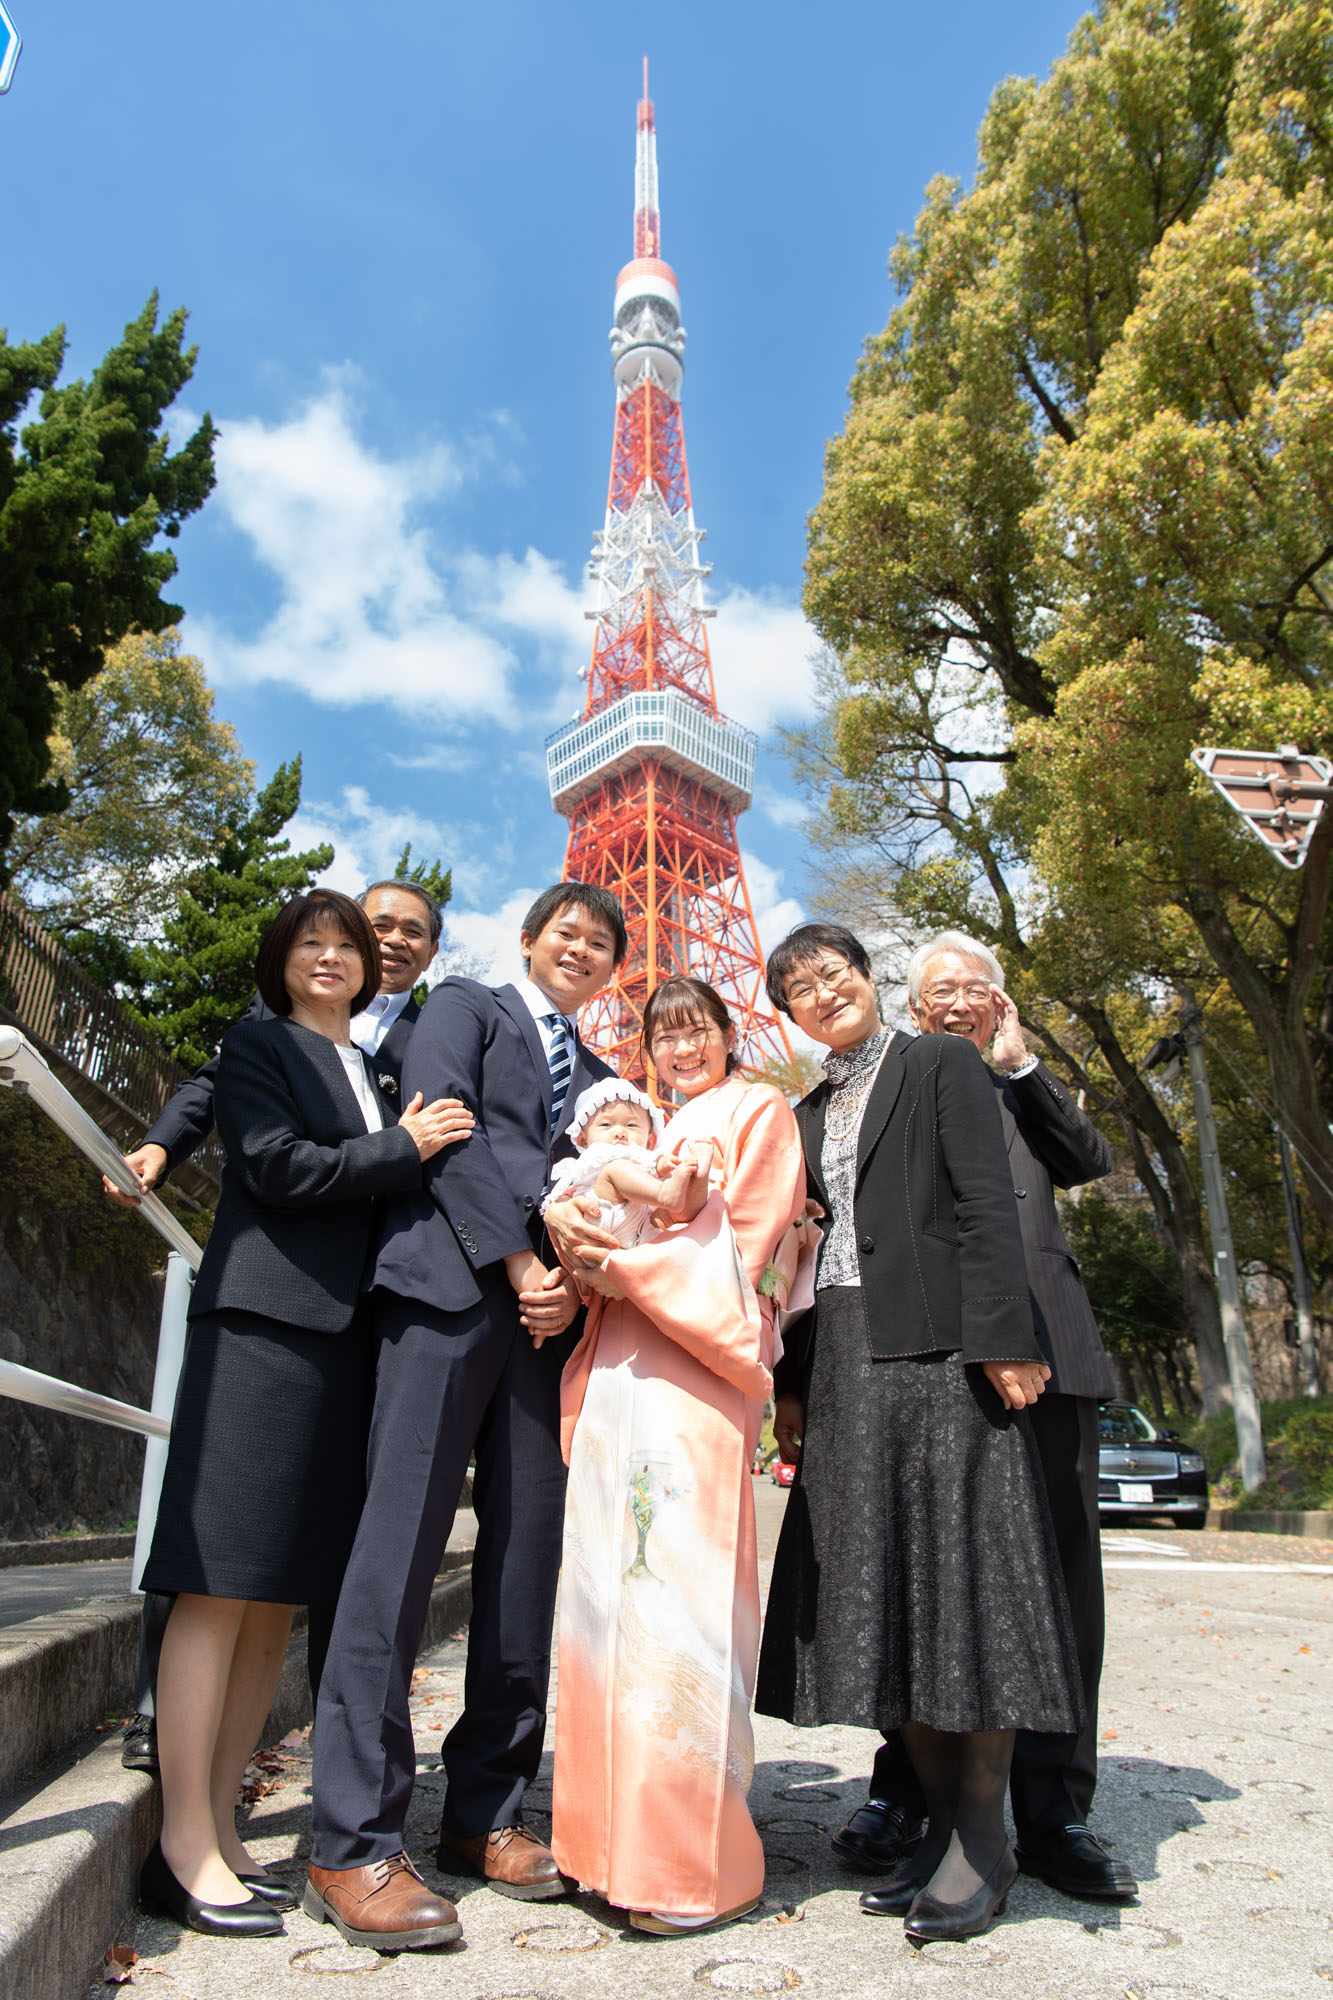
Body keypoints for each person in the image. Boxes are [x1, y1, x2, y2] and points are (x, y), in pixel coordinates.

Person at [136, 889, 472, 1940]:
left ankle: (227, 1832)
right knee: (216, 1578)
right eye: (309, 942)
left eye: (346, 944)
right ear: (279, 961)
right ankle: (181, 1839)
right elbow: (275, 1168)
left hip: (342, 1344)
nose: (331, 954)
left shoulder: (375, 1071)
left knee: (273, 1594)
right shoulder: (260, 1045)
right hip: (264, 1327)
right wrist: (401, 1151)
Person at [304, 883, 626, 1953]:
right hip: (449, 1295)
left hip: (546, 1325)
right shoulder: (467, 1005)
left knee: (525, 1561)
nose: (581, 949)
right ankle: (352, 1835)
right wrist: (525, 1258)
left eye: (601, 943)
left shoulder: (603, 1080)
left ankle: (486, 1807)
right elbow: (447, 1135)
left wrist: (573, 1276)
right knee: (393, 1557)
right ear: (528, 941)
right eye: (565, 933)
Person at [754, 923, 1083, 1945]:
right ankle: (941, 1825)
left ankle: (985, 1838)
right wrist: (793, 1387)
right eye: (799, 985)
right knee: (888, 1596)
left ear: (868, 977)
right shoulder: (803, 1112)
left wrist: (1001, 1337)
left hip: (942, 1351)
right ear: (789, 1013)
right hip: (848, 1358)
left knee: (961, 1590)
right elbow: (797, 1270)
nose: (822, 990)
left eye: (834, 971)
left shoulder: (935, 1058)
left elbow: (986, 1202)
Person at [833, 931, 1134, 1902]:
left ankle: (1054, 1808)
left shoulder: (1015, 1083)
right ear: (914, 1006)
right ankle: (909, 1789)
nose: (956, 997)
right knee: (927, 1582)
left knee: (1059, 1578)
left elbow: (1088, 1162)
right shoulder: (894, 1083)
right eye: (938, 987)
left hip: (1047, 1348)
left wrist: (1021, 1065)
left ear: (998, 1000)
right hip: (931, 1357)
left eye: (974, 985)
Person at [543, 977, 806, 1936]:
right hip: (618, 1360)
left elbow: (745, 1240)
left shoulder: (760, 1109)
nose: (681, 1045)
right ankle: (597, 1844)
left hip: (694, 1361)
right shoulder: (639, 1130)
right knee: (604, 1598)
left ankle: (687, 1864)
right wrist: (579, 1251)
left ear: (730, 1034)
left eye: (698, 1028)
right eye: (663, 1033)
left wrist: (619, 1268)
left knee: (677, 1597)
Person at [541, 1077, 711, 1248]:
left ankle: (698, 1181)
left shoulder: (642, 1157)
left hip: (640, 1230)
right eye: (606, 1124)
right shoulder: (593, 1157)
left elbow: (649, 1167)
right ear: (583, 1140)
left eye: (631, 1125)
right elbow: (560, 1196)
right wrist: (560, 1203)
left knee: (671, 1216)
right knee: (615, 1169)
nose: (620, 1132)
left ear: (650, 1141)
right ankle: (667, 1195)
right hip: (600, 1218)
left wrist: (664, 1166)